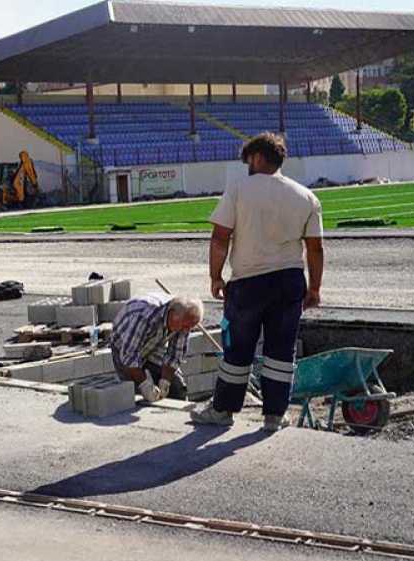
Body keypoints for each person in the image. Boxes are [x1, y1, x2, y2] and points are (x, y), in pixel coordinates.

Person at [190, 132, 324, 432]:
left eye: (249, 159)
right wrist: (314, 287)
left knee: (238, 349)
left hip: (248, 282)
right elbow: (315, 248)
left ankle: (223, 410)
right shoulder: (306, 196)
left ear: (259, 157)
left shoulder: (239, 189)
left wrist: (215, 276)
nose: (247, 165)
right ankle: (274, 416)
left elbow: (220, 237)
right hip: (289, 280)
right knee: (281, 351)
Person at [108, 294, 203, 402]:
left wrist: (165, 381)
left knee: (176, 387)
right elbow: (129, 356)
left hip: (153, 344)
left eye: (191, 327)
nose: (186, 330)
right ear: (172, 314)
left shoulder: (183, 321)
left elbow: (174, 356)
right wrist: (144, 385)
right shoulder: (144, 316)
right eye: (185, 326)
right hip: (124, 347)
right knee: (135, 396)